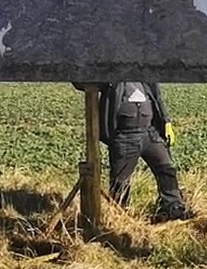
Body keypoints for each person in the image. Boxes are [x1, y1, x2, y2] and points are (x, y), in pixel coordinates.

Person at [75, 82, 195, 222]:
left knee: (166, 168)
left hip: (149, 133)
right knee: (121, 181)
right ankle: (121, 216)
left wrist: (166, 121)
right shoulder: (110, 75)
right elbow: (80, 82)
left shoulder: (145, 73)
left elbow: (157, 97)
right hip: (125, 136)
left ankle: (173, 208)